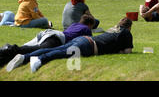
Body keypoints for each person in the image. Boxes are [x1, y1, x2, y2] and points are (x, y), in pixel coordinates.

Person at [6, 17, 134, 73]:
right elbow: (128, 51)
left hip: (82, 39)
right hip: (89, 45)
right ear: (129, 27)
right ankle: (39, 60)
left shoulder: (113, 29)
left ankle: (25, 57)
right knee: (60, 53)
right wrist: (120, 52)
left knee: (58, 49)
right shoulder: (126, 33)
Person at [0, 14, 95, 68]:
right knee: (36, 49)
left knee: (27, 47)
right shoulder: (86, 29)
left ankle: (3, 57)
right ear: (89, 24)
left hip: (48, 33)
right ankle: (10, 49)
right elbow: (88, 41)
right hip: (56, 37)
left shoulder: (74, 24)